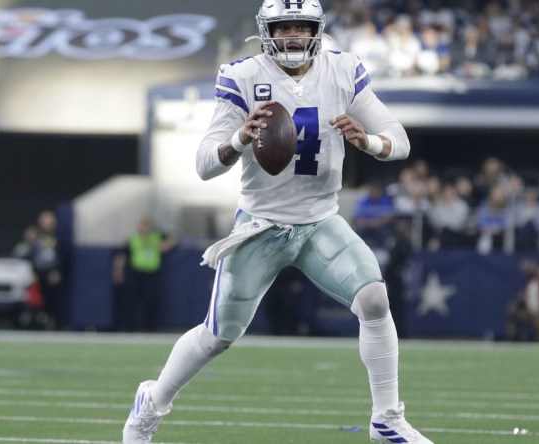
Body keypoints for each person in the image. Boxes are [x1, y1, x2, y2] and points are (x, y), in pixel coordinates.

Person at [122, 1, 432, 443]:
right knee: (217, 335)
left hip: (321, 220)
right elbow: (205, 164)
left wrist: (370, 142)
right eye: (282, 27)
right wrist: (238, 138)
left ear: (316, 30)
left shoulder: (343, 69)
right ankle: (151, 403)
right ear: (266, 31)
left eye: (300, 27)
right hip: (262, 224)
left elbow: (398, 139)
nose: (291, 35)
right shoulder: (242, 76)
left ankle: (387, 420)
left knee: (375, 302)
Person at [113, 216, 177, 332]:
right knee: (130, 301)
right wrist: (119, 272)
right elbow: (122, 256)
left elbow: (172, 240)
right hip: (135, 273)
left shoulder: (157, 237)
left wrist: (164, 245)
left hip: (151, 274)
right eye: (143, 226)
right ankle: (128, 327)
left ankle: (149, 328)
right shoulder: (133, 238)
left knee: (151, 301)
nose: (145, 229)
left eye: (148, 226)